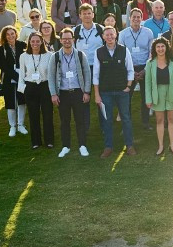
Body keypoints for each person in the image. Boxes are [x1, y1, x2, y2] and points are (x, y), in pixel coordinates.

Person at [91, 24, 135, 158]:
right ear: (103, 37)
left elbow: (130, 70)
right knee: (107, 120)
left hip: (122, 91)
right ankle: (108, 147)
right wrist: (97, 95)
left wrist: (128, 86)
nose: (109, 37)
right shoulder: (98, 52)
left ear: (116, 35)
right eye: (107, 35)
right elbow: (96, 75)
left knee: (126, 119)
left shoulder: (124, 50)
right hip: (105, 93)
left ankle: (130, 146)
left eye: (112, 34)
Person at [50, 26, 91, 157]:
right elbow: (51, 76)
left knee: (80, 120)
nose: (67, 41)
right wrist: (53, 94)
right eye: (64, 39)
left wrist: (87, 92)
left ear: (73, 39)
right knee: (64, 121)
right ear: (60, 40)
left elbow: (87, 73)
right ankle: (66, 146)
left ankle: (82, 145)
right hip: (63, 93)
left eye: (69, 39)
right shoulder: (55, 56)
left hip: (78, 92)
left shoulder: (80, 54)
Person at [145, 36, 173, 155]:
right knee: (159, 120)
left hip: (172, 93)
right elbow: (147, 83)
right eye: (158, 47)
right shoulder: (150, 63)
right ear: (154, 49)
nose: (161, 49)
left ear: (166, 48)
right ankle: (161, 146)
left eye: (163, 46)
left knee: (172, 119)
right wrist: (148, 99)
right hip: (157, 94)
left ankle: (172, 145)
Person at [0, 26, 26, 138]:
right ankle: (12, 126)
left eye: (12, 33)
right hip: (9, 79)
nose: (10, 36)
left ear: (16, 34)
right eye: (8, 34)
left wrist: (21, 77)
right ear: (4, 36)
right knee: (10, 102)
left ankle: (21, 124)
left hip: (23, 77)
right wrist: (17, 76)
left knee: (22, 101)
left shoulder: (22, 45)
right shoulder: (1, 49)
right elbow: (4, 67)